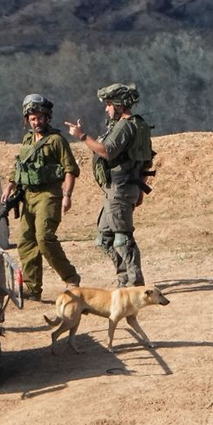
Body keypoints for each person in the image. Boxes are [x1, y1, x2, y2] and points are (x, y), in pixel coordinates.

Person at [65, 83, 154, 288]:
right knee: (105, 237)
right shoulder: (138, 125)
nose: (107, 109)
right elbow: (146, 160)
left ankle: (134, 283)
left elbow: (106, 151)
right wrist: (140, 187)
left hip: (120, 188)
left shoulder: (125, 126)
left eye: (109, 105)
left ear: (119, 105)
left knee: (122, 237)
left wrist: (81, 136)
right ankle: (124, 278)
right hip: (120, 189)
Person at [1, 94, 80, 303]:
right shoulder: (27, 139)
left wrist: (67, 195)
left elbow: (71, 170)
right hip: (28, 195)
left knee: (44, 238)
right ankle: (31, 287)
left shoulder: (56, 141)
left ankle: (71, 278)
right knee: (26, 241)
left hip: (49, 195)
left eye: (40, 118)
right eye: (33, 119)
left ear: (47, 117)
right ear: (27, 120)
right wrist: (10, 184)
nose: (37, 122)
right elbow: (20, 166)